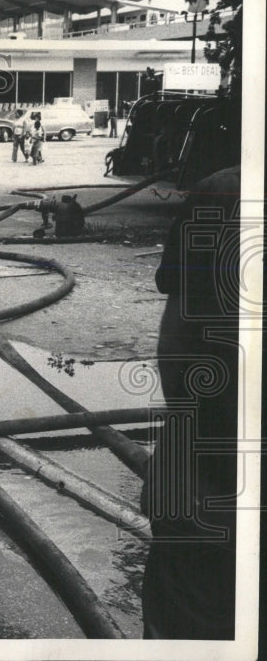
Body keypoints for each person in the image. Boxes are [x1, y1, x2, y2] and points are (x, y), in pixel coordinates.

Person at [142, 165, 240, 639]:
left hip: (209, 480)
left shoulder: (225, 193)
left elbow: (179, 337)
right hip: (208, 474)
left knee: (189, 621)